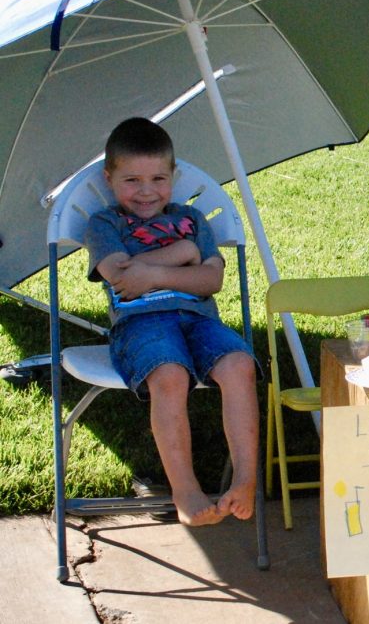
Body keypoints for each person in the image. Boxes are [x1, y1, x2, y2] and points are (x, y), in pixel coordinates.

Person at [85, 117, 258, 526]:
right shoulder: (105, 223)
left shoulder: (193, 220)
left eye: (158, 178)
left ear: (173, 176)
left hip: (198, 320)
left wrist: (156, 271)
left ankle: (246, 479)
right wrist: (181, 255)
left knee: (239, 364)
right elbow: (121, 276)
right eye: (132, 180)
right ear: (109, 179)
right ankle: (185, 489)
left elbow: (211, 279)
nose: (146, 192)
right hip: (141, 325)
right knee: (169, 374)